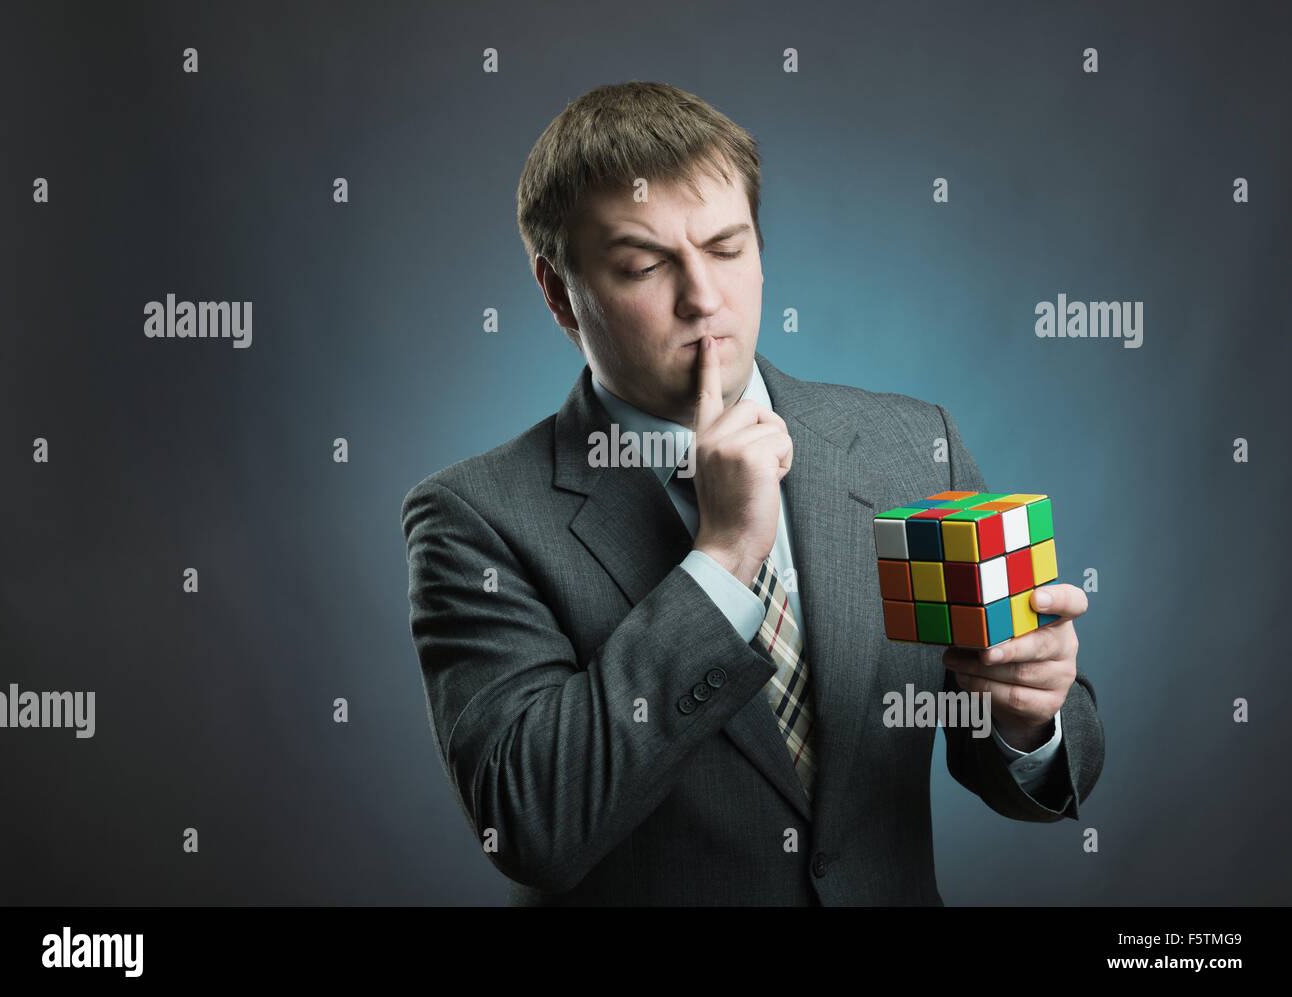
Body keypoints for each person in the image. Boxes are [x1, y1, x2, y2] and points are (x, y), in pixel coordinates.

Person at [400, 81, 1104, 905]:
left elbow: (1030, 749)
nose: (703, 298)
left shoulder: (916, 448)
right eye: (644, 265)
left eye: (727, 248)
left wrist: (1028, 718)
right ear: (560, 291)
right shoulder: (475, 518)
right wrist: (724, 555)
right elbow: (529, 822)